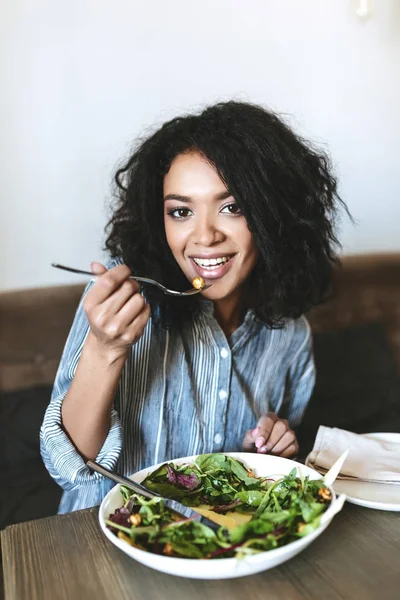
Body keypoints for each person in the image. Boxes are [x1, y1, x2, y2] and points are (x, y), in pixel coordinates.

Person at [40, 101, 347, 513]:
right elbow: (70, 468)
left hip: (221, 546)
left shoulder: (289, 333)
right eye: (181, 211)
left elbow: (265, 471)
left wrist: (272, 448)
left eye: (232, 207)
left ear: (274, 214)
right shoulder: (122, 300)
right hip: (102, 545)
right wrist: (105, 349)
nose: (204, 237)